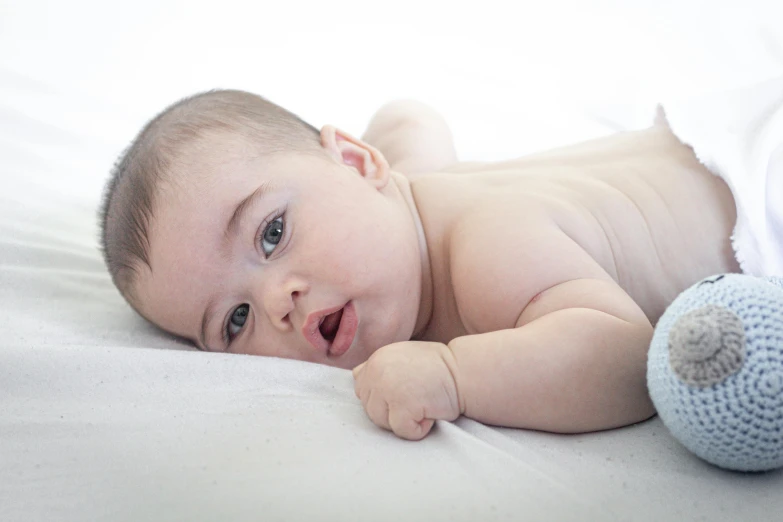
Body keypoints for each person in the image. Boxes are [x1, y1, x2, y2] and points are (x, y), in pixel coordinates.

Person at [100, 76, 782, 440]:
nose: (278, 300)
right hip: (713, 128)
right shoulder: (401, 184)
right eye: (234, 319)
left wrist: (456, 374)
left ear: (355, 160)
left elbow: (621, 356)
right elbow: (411, 115)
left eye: (272, 233)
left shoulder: (489, 247)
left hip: (760, 185)